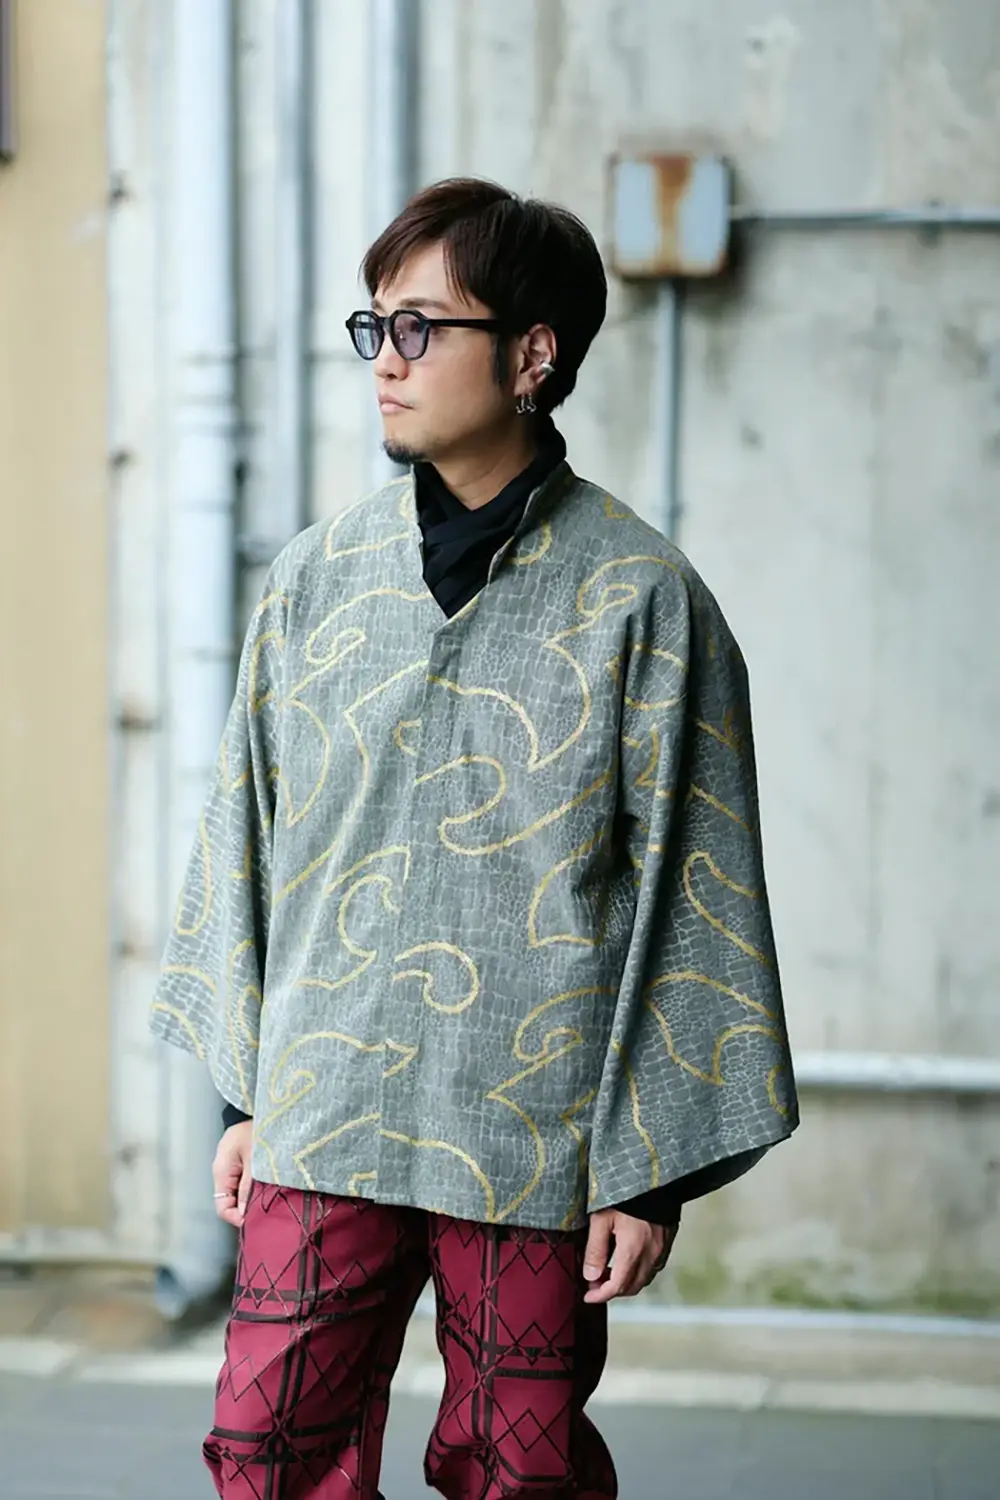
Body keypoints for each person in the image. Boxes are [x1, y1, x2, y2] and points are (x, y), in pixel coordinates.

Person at [151, 177, 798, 1500]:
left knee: (520, 1468)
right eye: (373, 328)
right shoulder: (316, 582)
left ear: (532, 354)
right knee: (268, 1448)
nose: (384, 363)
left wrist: (648, 1176)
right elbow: (248, 837)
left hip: (530, 1129)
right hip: (325, 1107)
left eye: (419, 328)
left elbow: (696, 890)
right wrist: (244, 1099)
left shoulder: (643, 601)